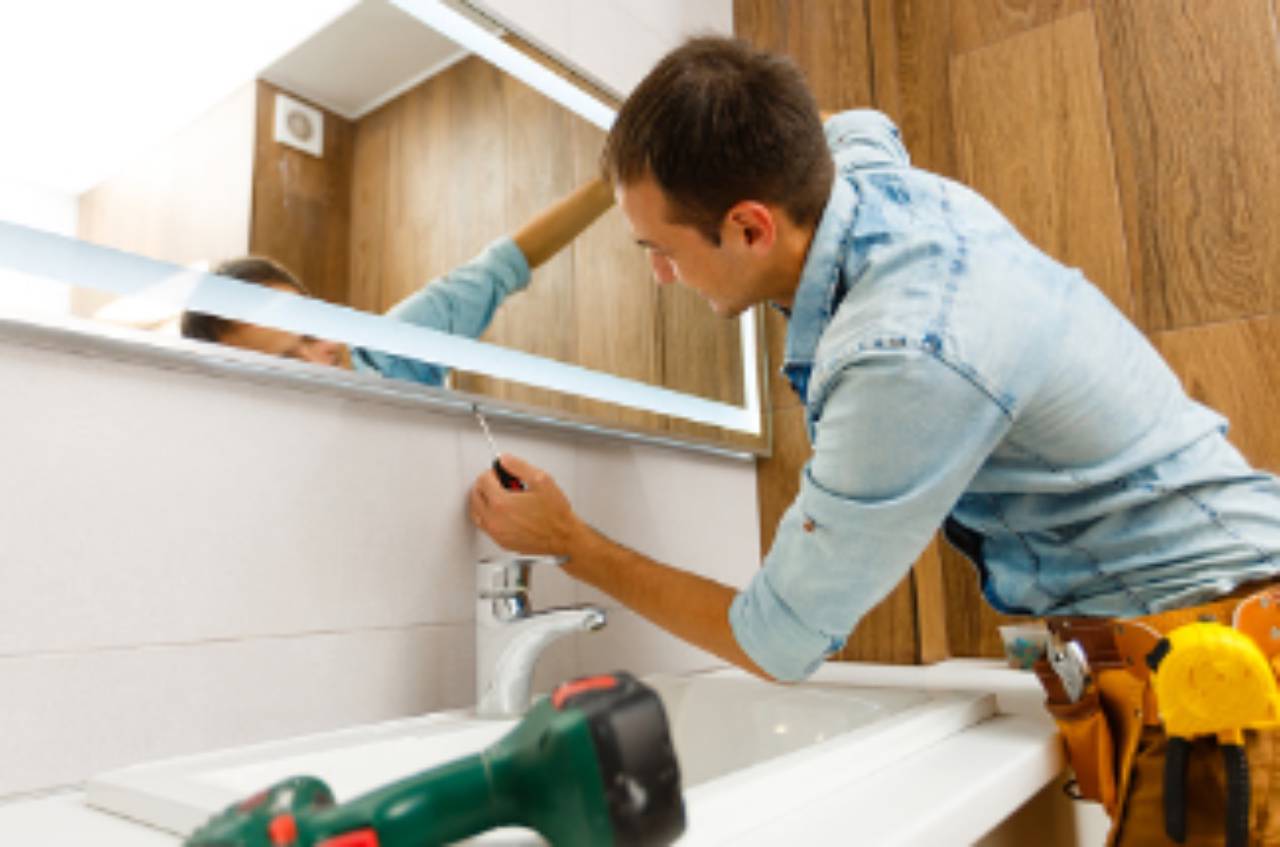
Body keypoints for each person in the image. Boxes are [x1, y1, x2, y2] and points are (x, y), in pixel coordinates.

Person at [467, 36, 1280, 845]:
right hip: (1197, 635)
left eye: (661, 249)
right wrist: (686, 138)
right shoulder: (853, 174)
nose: (660, 275)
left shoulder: (902, 354)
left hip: (1217, 672)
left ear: (749, 227)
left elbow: (775, 639)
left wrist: (571, 542)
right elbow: (856, 120)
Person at [181, 176, 614, 386]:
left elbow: (500, 266)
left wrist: (612, 183)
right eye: (286, 362)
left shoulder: (392, 350)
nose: (321, 358)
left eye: (312, 332)